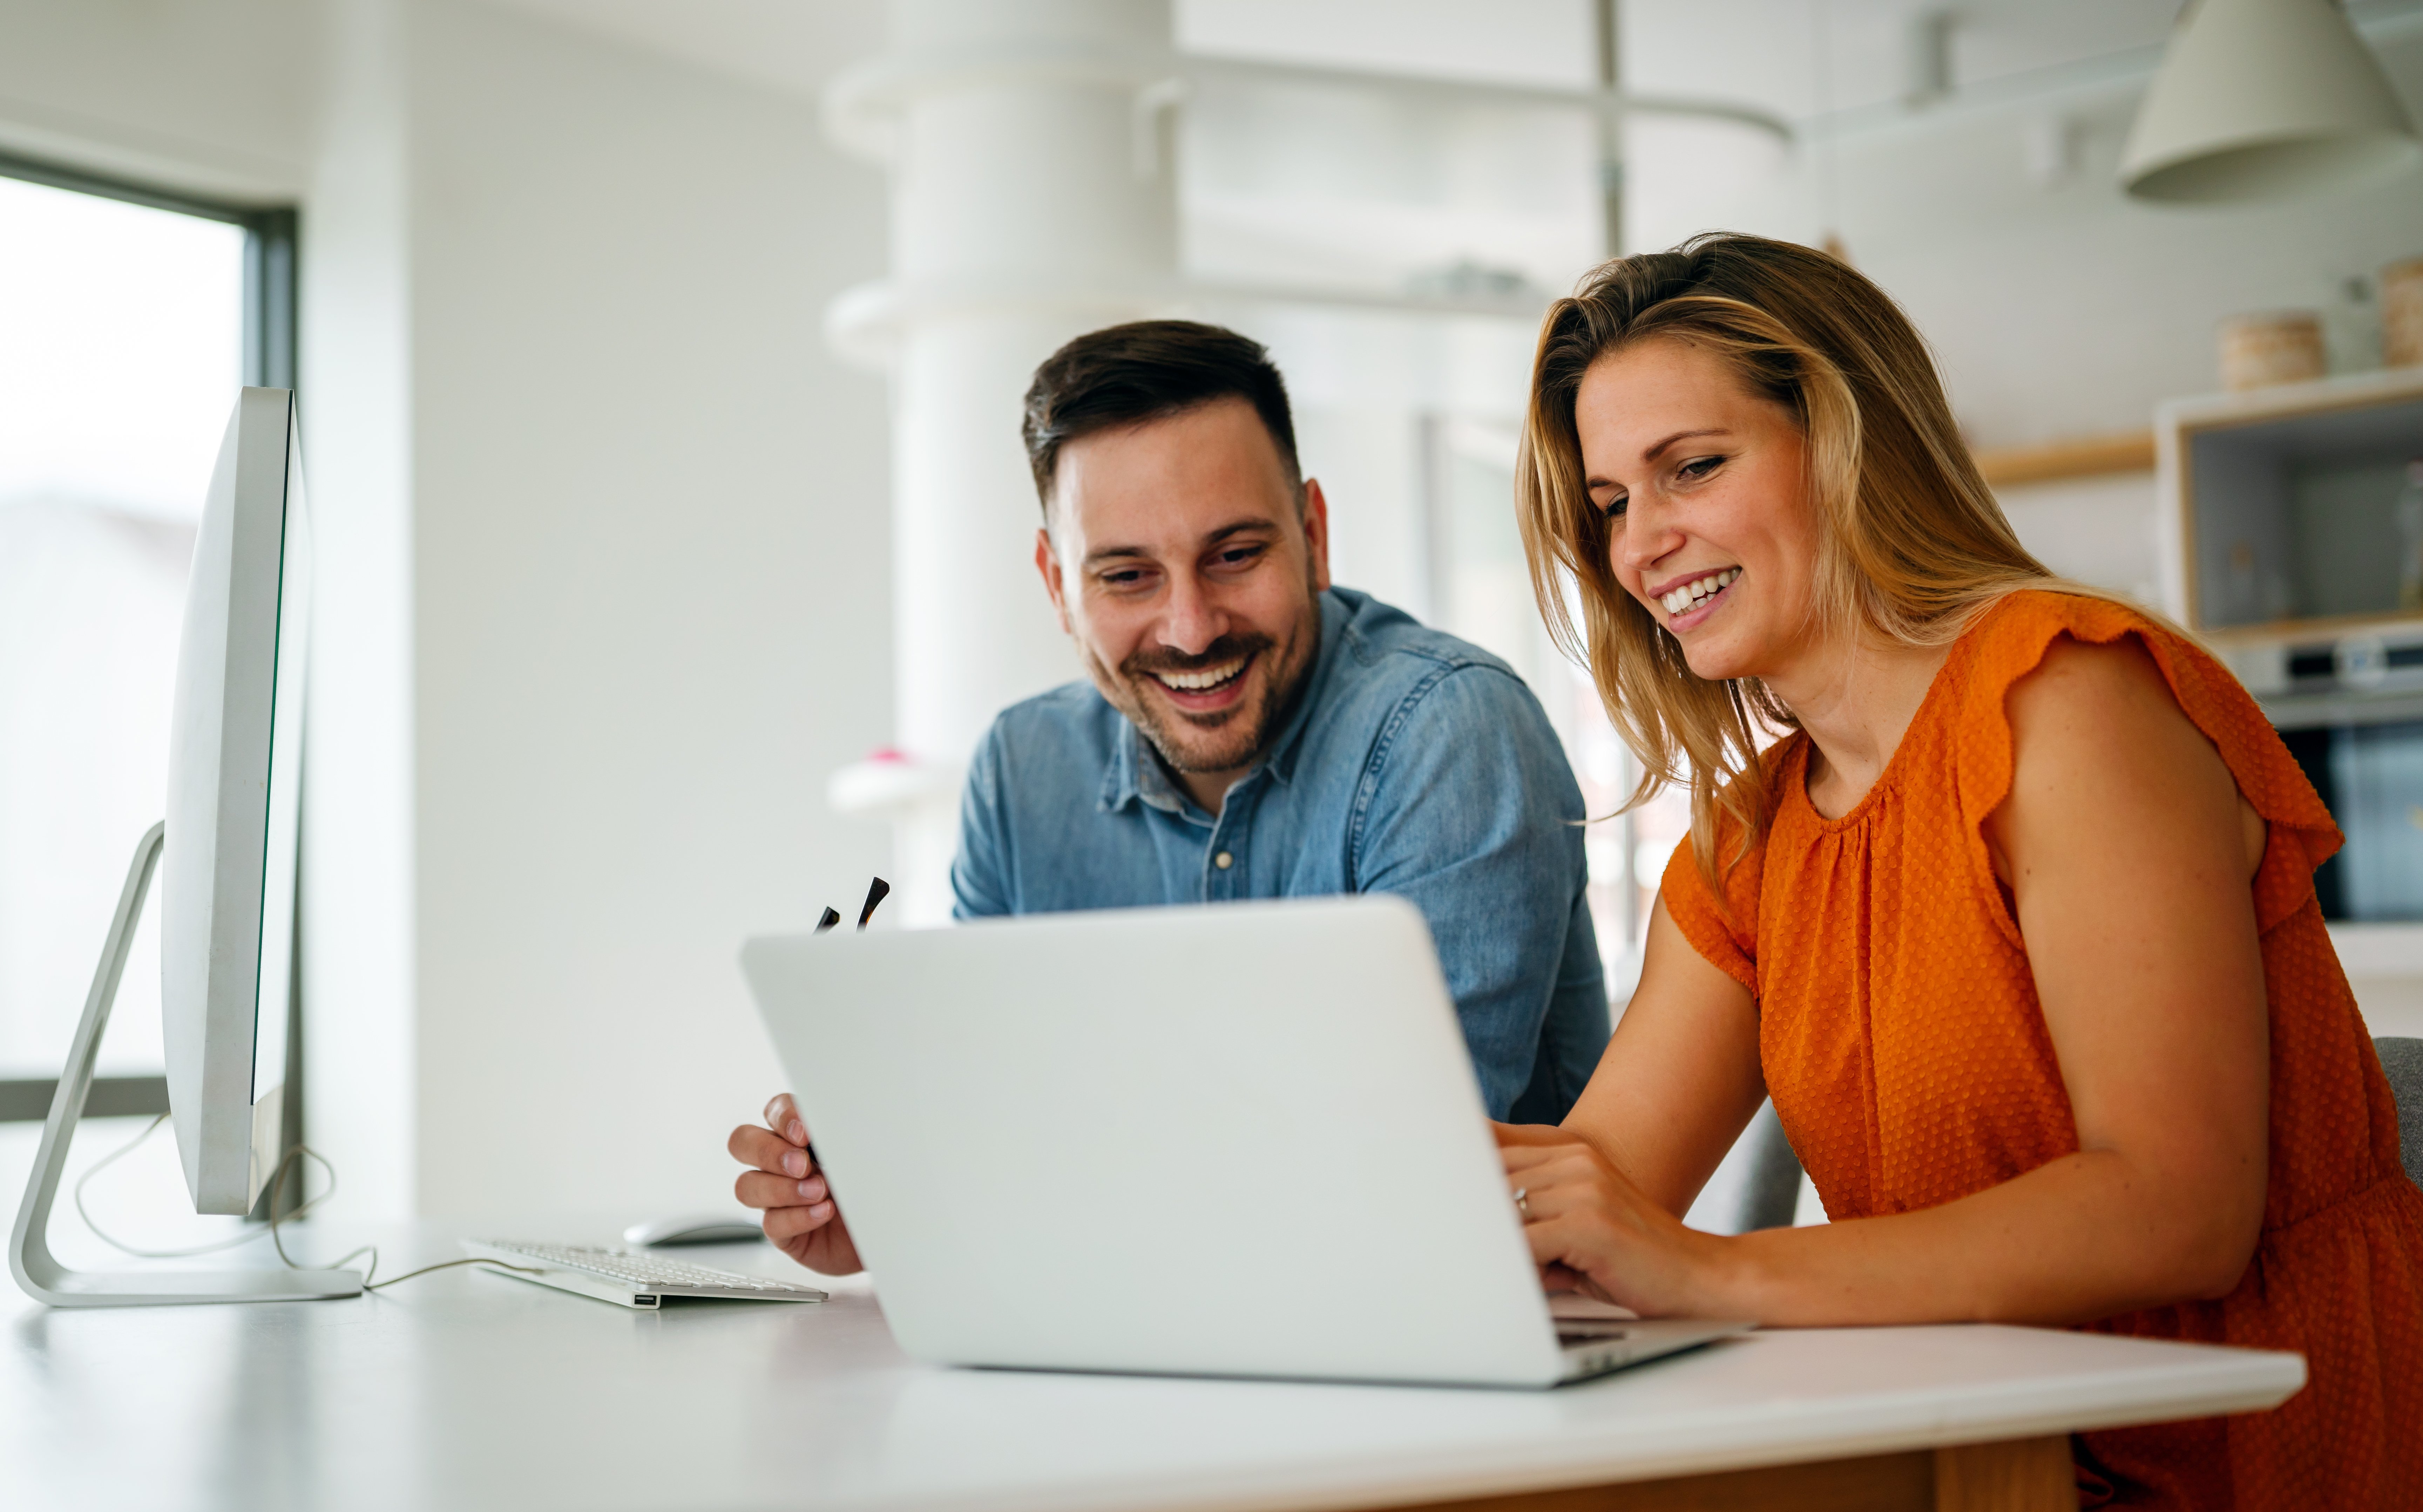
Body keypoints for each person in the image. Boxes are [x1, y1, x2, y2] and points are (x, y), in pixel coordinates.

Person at [1495, 233, 2423, 1507]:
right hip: (1979, 1433)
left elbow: (2180, 1206)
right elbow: (1590, 1200)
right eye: (1610, 505)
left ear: (1847, 439)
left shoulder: (2071, 702)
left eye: (1692, 469)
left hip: (2242, 1441)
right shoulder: (1751, 842)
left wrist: (1719, 1272)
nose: (1644, 542)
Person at [731, 320, 1609, 1275]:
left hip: (1460, 1357)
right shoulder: (1023, 772)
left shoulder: (1450, 734)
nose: (1190, 629)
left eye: (1235, 554)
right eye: (1127, 575)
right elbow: (993, 1121)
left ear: (1314, 537)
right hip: (1140, 1347)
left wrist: (1004, 1185)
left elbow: (1404, 1185)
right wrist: (896, 1204)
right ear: (1057, 584)